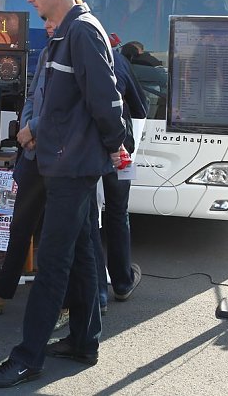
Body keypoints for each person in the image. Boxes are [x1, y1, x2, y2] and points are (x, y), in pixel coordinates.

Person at [0, 0, 127, 389]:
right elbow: (61, 102)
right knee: (81, 255)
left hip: (72, 167)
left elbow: (107, 100)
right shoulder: (66, 35)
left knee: (53, 264)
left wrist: (113, 146)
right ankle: (84, 341)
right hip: (65, 163)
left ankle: (28, 358)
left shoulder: (81, 32)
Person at [0, 15, 70, 330]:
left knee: (61, 235)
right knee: (22, 227)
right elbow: (34, 98)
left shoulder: (76, 50)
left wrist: (33, 129)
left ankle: (71, 304)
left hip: (60, 158)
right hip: (36, 154)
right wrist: (27, 129)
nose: (48, 25)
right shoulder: (51, 50)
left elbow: (63, 107)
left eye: (54, 19)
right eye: (46, 21)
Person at [95, 46, 149, 313]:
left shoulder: (68, 53)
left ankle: (96, 292)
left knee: (89, 218)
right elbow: (141, 108)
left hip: (84, 149)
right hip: (121, 149)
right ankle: (122, 283)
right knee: (118, 212)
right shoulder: (118, 60)